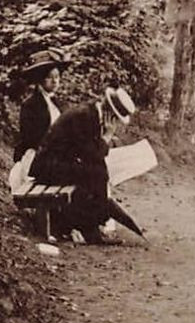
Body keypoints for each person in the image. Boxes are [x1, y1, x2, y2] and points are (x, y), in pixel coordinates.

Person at [29, 85, 142, 243]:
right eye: (115, 117)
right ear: (110, 112)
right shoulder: (84, 116)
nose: (115, 122)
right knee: (96, 174)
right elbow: (92, 155)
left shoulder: (93, 113)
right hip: (48, 166)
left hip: (61, 162)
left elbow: (92, 154)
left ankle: (91, 224)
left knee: (98, 174)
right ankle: (90, 228)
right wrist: (107, 136)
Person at [13, 49, 66, 164]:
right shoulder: (31, 105)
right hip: (36, 156)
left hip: (54, 155)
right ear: (40, 78)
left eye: (57, 77)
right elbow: (30, 138)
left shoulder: (57, 104)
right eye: (50, 77)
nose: (55, 81)